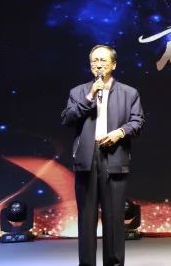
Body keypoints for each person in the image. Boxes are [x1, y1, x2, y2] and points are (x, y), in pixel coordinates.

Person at [62, 45, 144, 266]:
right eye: (94, 61)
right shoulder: (78, 92)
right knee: (86, 218)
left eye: (103, 60)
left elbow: (137, 122)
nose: (98, 65)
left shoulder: (129, 93)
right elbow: (67, 118)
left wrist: (119, 133)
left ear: (113, 64)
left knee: (114, 218)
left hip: (114, 157)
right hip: (86, 158)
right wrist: (90, 96)